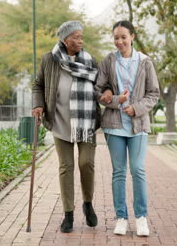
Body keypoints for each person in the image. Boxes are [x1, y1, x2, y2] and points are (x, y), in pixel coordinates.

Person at [32, 21, 108, 233]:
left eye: (81, 37)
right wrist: (37, 104)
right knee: (66, 167)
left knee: (86, 163)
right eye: (76, 37)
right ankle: (68, 214)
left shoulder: (89, 59)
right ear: (65, 40)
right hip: (60, 121)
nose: (80, 41)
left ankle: (87, 203)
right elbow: (38, 84)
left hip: (85, 122)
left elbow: (102, 83)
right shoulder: (50, 59)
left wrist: (109, 91)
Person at [95, 20, 160, 237]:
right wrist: (115, 99)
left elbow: (154, 94)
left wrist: (137, 108)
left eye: (123, 37)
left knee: (138, 170)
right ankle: (121, 218)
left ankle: (141, 218)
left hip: (138, 126)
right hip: (114, 126)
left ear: (132, 36)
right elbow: (99, 91)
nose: (119, 41)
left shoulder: (145, 62)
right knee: (119, 173)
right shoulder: (108, 61)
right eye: (116, 38)